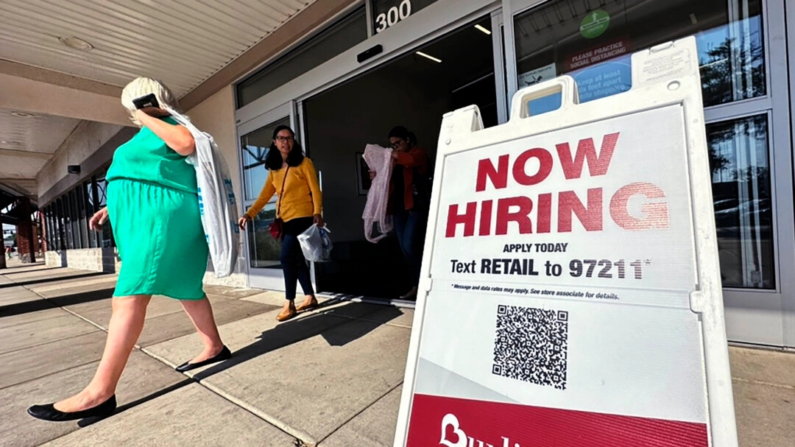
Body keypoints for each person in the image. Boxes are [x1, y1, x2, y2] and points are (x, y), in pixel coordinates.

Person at [27, 77, 230, 422]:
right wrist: (112, 206)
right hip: (147, 218)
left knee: (129, 295)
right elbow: (145, 173)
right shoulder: (149, 133)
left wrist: (149, 113)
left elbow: (185, 145)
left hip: (161, 220)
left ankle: (99, 392)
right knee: (186, 287)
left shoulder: (167, 123)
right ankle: (214, 346)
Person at [238, 125, 324, 322]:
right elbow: (264, 196)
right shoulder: (274, 170)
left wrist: (317, 212)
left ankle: (289, 302)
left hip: (302, 216)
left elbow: (315, 189)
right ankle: (310, 297)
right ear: (274, 142)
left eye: (289, 138)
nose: (285, 142)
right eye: (281, 138)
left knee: (286, 257)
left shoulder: (304, 163)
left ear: (294, 142)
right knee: (296, 259)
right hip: (284, 218)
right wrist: (249, 214)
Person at [369, 126, 430, 300]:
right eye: (392, 145)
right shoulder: (393, 160)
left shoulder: (419, 153)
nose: (395, 147)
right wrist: (377, 175)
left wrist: (389, 154)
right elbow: (386, 180)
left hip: (415, 208)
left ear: (408, 140)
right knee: (405, 248)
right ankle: (416, 285)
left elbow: (410, 160)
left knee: (411, 245)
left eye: (398, 143)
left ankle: (424, 284)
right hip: (398, 209)